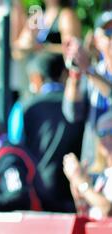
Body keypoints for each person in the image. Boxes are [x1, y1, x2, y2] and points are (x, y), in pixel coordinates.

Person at [8, 53, 84, 212]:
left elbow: (15, 148)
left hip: (38, 191)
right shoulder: (80, 102)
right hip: (76, 187)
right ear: (64, 74)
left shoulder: (23, 107)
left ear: (36, 78)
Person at [63, 11, 112, 167]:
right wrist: (75, 72)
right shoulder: (93, 73)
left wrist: (89, 70)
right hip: (96, 164)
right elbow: (72, 113)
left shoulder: (92, 73)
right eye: (108, 33)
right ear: (97, 41)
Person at [63, 112, 112, 220]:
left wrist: (82, 184)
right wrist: (76, 184)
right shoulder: (100, 175)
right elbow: (85, 213)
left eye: (111, 132)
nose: (107, 138)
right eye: (102, 134)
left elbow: (108, 210)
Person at [15, 0, 81, 57]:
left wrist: (44, 48)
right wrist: (28, 43)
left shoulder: (66, 15)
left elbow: (72, 51)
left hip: (56, 69)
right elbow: (17, 52)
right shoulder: (38, 16)